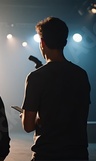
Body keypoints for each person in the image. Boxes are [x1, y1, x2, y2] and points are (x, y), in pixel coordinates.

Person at [21, 17, 91, 160]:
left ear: (42, 43)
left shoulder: (36, 77)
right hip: (78, 154)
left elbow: (28, 126)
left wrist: (30, 118)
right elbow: (81, 116)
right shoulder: (81, 75)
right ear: (64, 42)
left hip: (46, 155)